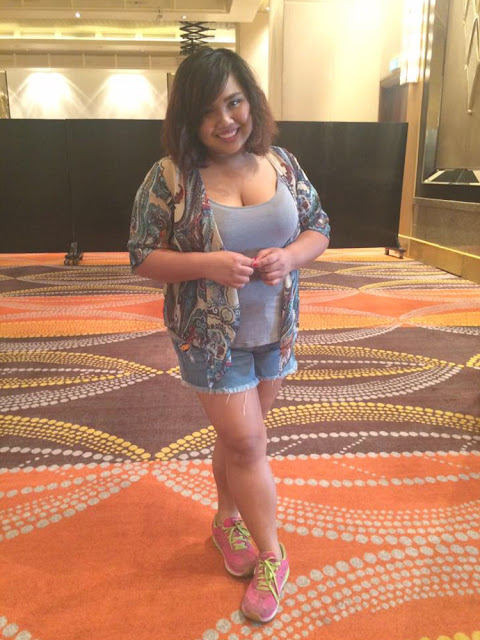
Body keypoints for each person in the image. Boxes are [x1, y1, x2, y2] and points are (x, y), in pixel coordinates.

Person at [128, 47, 330, 623]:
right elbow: (142, 255)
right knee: (247, 443)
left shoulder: (282, 163)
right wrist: (208, 264)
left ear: (251, 101)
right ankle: (273, 555)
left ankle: (226, 520)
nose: (225, 121)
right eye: (207, 111)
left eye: (234, 102)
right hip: (210, 338)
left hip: (275, 331)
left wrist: (291, 256)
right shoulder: (170, 177)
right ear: (188, 119)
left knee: (239, 439)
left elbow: (318, 227)